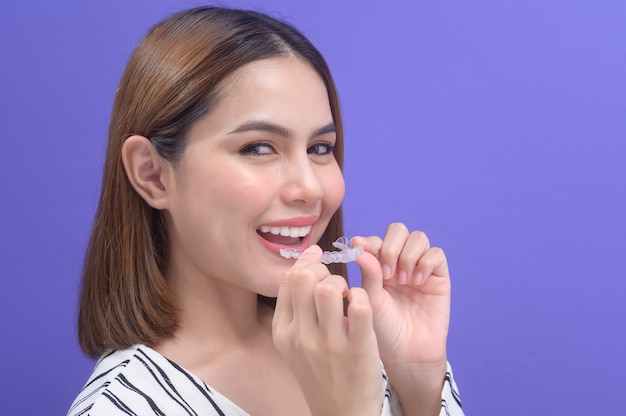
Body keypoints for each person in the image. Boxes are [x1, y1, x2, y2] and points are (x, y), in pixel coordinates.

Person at [68, 6, 464, 416]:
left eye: (319, 149)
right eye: (259, 148)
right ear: (152, 174)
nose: (310, 188)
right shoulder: (120, 407)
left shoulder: (354, 347)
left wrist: (418, 385)